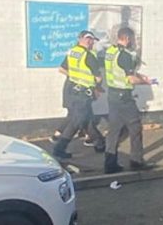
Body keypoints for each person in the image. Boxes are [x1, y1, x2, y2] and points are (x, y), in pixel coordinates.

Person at [103, 27, 154, 173]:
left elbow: (121, 70)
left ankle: (110, 164)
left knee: (113, 131)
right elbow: (130, 79)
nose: (134, 42)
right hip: (124, 98)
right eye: (133, 39)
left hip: (112, 95)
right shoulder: (124, 55)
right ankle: (137, 161)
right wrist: (146, 82)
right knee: (135, 128)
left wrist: (142, 76)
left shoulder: (110, 52)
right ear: (127, 38)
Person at [52, 30, 106, 159]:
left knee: (86, 119)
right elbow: (98, 78)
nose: (90, 41)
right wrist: (96, 87)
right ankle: (59, 148)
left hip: (73, 90)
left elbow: (62, 69)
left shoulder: (73, 52)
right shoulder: (89, 55)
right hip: (83, 93)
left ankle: (99, 144)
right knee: (77, 122)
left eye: (92, 39)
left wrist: (76, 78)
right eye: (88, 39)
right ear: (81, 39)